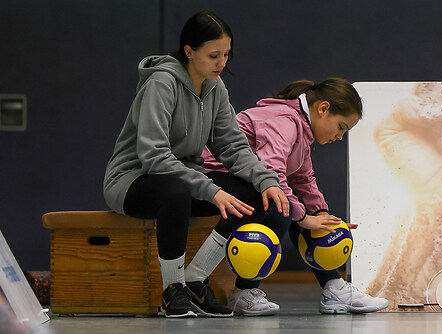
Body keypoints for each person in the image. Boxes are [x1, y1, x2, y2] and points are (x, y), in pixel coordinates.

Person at [103, 11, 290, 318]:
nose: (222, 63)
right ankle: (172, 290)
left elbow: (232, 146)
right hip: (133, 179)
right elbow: (153, 157)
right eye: (214, 55)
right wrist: (211, 191)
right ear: (189, 51)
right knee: (177, 192)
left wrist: (266, 180)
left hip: (184, 177)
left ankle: (195, 279)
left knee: (255, 196)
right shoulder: (161, 84)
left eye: (227, 54)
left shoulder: (215, 88)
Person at [186, 77, 389, 315]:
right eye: (341, 127)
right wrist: (304, 219)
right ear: (323, 109)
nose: (340, 137)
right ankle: (243, 291)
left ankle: (334, 287)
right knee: (281, 207)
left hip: (242, 184)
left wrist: (321, 215)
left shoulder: (301, 127)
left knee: (301, 209)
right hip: (207, 179)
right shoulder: (284, 121)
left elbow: (303, 180)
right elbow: (272, 174)